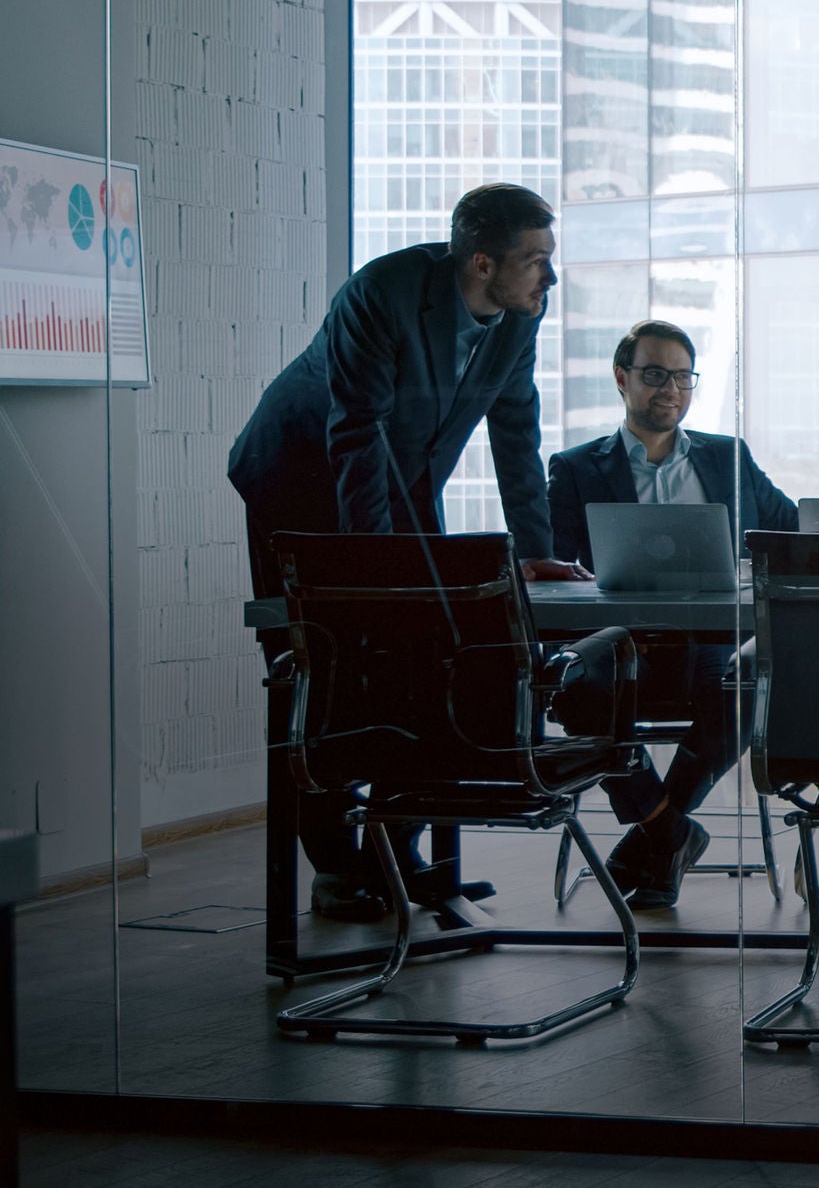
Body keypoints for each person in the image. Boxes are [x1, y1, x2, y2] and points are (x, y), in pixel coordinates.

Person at [229, 183, 587, 922]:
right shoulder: (383, 292)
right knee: (319, 666)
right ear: (482, 262)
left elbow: (516, 433)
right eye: (536, 261)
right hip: (298, 475)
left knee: (430, 659)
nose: (550, 278)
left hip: (403, 474)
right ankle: (338, 870)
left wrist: (539, 552)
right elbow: (354, 433)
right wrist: (380, 575)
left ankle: (391, 849)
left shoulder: (521, 313)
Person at [546, 318, 799, 909]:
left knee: (746, 689)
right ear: (622, 378)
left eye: (682, 377)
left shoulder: (727, 457)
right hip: (616, 645)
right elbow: (556, 566)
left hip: (708, 641)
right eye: (655, 374)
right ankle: (669, 834)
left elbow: (788, 531)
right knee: (576, 696)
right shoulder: (577, 467)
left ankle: (657, 835)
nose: (671, 389)